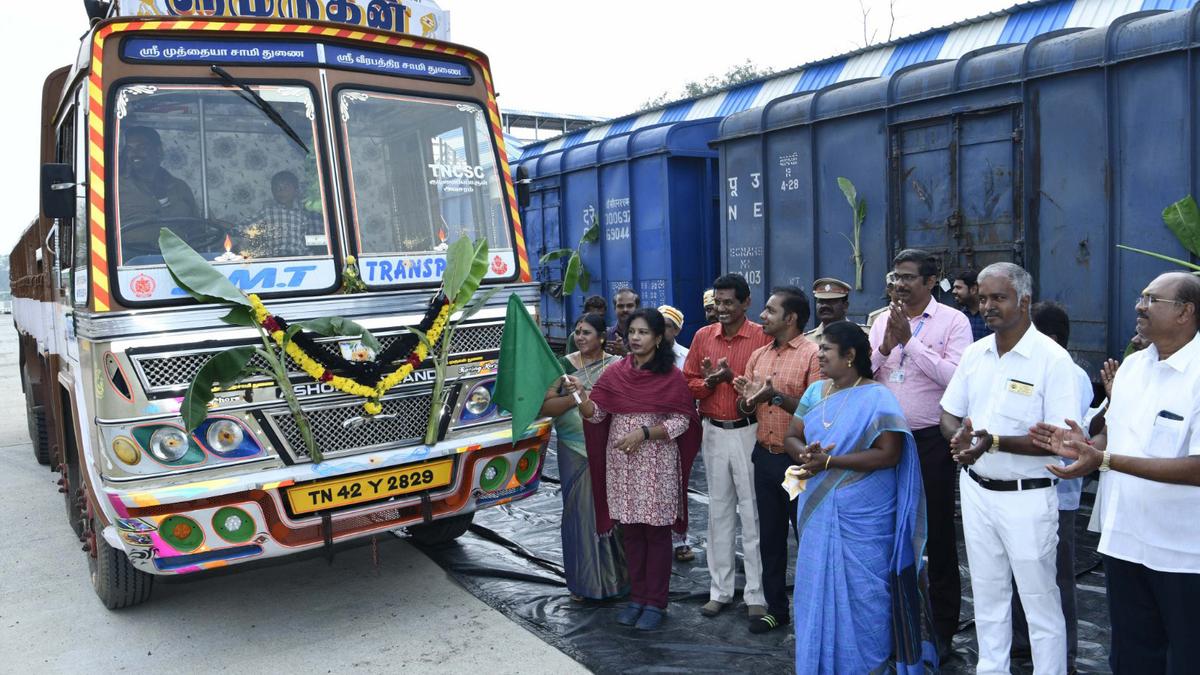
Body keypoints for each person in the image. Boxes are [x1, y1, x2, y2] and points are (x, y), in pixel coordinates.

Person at [1033, 271, 1200, 675]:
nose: (1140, 305)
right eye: (1141, 296)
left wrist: (1104, 462)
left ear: (1185, 313)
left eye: (1152, 299)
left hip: (1184, 552)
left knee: (1188, 656)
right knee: (1131, 655)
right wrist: (1087, 448)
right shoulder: (1134, 367)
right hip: (1125, 540)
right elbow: (1116, 440)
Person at [939, 262, 1076, 675]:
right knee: (988, 594)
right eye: (982, 298)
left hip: (1027, 496)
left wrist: (991, 441)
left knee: (1039, 601)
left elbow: (1062, 441)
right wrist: (959, 438)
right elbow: (949, 412)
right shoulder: (975, 354)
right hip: (978, 492)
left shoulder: (1053, 360)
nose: (987, 306)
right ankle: (991, 669)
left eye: (998, 297)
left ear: (1025, 301)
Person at [785, 321, 936, 673]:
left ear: (850, 356)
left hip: (863, 516)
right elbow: (791, 435)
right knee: (816, 590)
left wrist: (831, 462)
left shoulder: (878, 396)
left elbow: (889, 454)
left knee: (866, 595)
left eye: (825, 349)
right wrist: (805, 455)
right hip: (819, 507)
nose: (818, 354)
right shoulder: (814, 393)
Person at [570, 308, 702, 631]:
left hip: (656, 463)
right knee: (631, 532)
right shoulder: (616, 373)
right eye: (632, 332)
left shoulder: (670, 376)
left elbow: (682, 420)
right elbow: (597, 415)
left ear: (658, 338)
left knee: (656, 534)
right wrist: (578, 393)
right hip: (623, 465)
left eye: (643, 332)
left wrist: (643, 433)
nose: (636, 338)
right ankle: (637, 598)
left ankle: (656, 602)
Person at [871, 248, 972, 656]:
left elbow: (956, 377)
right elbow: (868, 373)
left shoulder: (954, 321)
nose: (899, 284)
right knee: (886, 530)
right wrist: (885, 347)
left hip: (931, 440)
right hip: (885, 441)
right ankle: (892, 621)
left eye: (909, 277)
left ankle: (942, 628)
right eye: (896, 276)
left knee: (937, 536)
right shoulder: (881, 321)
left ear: (931, 282)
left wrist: (910, 345)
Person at [733, 286, 822, 633]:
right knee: (769, 536)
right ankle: (776, 610)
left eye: (770, 311)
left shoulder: (814, 355)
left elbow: (815, 409)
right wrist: (745, 397)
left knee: (806, 535)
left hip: (796, 462)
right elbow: (748, 409)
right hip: (765, 457)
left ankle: (814, 612)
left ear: (791, 318)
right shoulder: (759, 356)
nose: (763, 316)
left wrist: (776, 396)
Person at [682, 273, 772, 619]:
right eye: (716, 303)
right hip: (714, 431)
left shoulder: (763, 337)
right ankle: (719, 590)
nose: (721, 309)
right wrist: (710, 381)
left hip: (751, 430)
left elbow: (768, 383)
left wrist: (737, 384)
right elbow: (689, 383)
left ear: (746, 303)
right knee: (718, 512)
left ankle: (756, 594)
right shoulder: (703, 337)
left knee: (753, 514)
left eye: (728, 303)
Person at [1008, 301, 1089, 671]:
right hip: (1023, 487)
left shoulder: (1067, 374)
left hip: (1057, 492)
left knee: (1054, 578)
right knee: (1021, 572)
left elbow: (1060, 435)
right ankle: (1024, 647)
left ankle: (1064, 655)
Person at [539, 314, 627, 602]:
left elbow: (620, 404)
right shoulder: (563, 367)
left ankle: (618, 581)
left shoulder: (615, 365)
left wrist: (586, 394)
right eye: (577, 332)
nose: (580, 337)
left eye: (587, 332)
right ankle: (584, 585)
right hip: (573, 449)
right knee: (579, 515)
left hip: (608, 448)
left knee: (612, 512)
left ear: (602, 336)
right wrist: (576, 397)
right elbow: (546, 407)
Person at [117, 125, 198, 256]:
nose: (134, 153)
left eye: (141, 147)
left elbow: (197, 230)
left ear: (158, 151)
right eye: (130, 149)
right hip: (129, 266)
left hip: (179, 260)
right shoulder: (115, 188)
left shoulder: (180, 188)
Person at [659, 303, 694, 562]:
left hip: (680, 429)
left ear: (677, 330)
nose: (663, 330)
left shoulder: (687, 357)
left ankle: (680, 538)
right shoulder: (642, 357)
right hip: (651, 430)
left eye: (668, 325)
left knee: (679, 483)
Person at [241, 170, 322, 258]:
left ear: (296, 190)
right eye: (276, 188)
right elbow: (244, 228)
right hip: (274, 258)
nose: (280, 191)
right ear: (272, 191)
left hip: (300, 257)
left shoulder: (307, 212)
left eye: (286, 187)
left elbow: (318, 241)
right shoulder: (269, 212)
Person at [804, 277, 863, 343]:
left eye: (831, 301)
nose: (824, 305)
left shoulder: (863, 335)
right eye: (821, 301)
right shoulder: (807, 341)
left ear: (845, 306)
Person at [952, 268, 993, 341]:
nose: (954, 291)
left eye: (958, 287)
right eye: (954, 288)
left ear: (973, 289)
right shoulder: (959, 317)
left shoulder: (991, 314)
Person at [605, 288, 640, 357]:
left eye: (629, 306)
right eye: (620, 306)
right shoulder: (606, 335)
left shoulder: (646, 335)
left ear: (637, 308)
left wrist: (624, 352)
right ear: (615, 308)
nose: (625, 310)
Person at [659, 304, 689, 369]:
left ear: (676, 331)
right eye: (659, 325)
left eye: (667, 326)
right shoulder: (647, 354)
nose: (661, 329)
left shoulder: (687, 356)